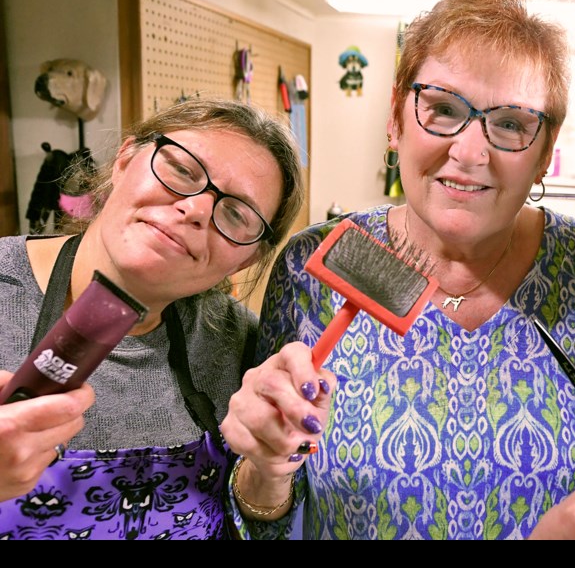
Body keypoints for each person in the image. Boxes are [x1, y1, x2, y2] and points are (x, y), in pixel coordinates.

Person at [221, 0, 575, 540]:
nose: (469, 151)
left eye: (512, 124)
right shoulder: (312, 271)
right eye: (443, 108)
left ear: (547, 151)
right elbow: (265, 519)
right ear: (396, 117)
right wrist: (265, 473)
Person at [0, 97, 332, 540]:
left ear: (245, 260)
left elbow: (260, 524)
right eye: (181, 171)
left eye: (236, 213)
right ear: (124, 161)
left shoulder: (240, 345)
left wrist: (272, 471)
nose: (194, 210)